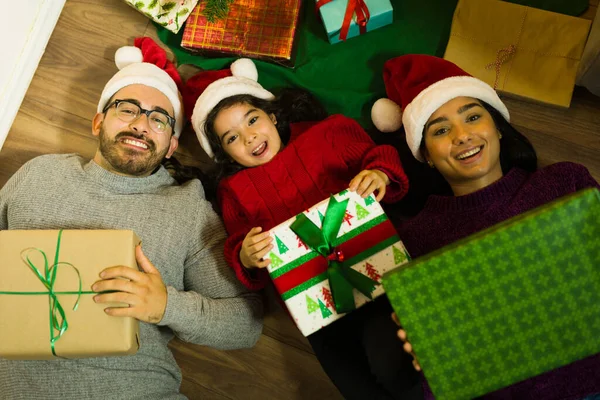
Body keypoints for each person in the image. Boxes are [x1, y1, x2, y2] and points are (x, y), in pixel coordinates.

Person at [0, 37, 263, 400]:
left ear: (172, 145)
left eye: (160, 119)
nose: (141, 124)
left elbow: (245, 325)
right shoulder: (39, 175)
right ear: (97, 121)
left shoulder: (186, 208)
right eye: (127, 109)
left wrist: (166, 306)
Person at [182, 58, 423, 400]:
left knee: (398, 368)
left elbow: (379, 155)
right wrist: (247, 255)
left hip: (380, 279)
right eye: (233, 137)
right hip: (316, 311)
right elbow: (238, 245)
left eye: (252, 120)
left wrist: (380, 173)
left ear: (273, 116)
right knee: (356, 385)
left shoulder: (327, 134)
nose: (250, 137)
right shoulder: (234, 191)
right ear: (226, 154)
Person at [371, 54, 600, 399]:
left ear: (498, 129)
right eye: (441, 130)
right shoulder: (415, 239)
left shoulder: (563, 182)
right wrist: (431, 356)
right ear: (427, 155)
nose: (462, 136)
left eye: (473, 117)